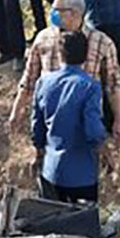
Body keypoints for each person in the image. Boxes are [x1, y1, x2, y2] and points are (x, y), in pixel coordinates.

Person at [10, 0, 120, 149]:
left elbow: (113, 86)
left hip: (85, 124)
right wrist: (17, 110)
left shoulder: (101, 43)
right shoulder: (43, 38)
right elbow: (29, 79)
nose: (53, 14)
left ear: (75, 13)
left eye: (57, 10)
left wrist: (118, 121)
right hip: (49, 123)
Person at [32, 31, 108, 204]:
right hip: (82, 175)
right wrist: (104, 150)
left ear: (60, 53)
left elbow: (37, 125)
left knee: (51, 225)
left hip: (50, 171)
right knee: (81, 227)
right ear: (86, 54)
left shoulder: (44, 83)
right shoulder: (90, 86)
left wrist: (38, 153)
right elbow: (93, 129)